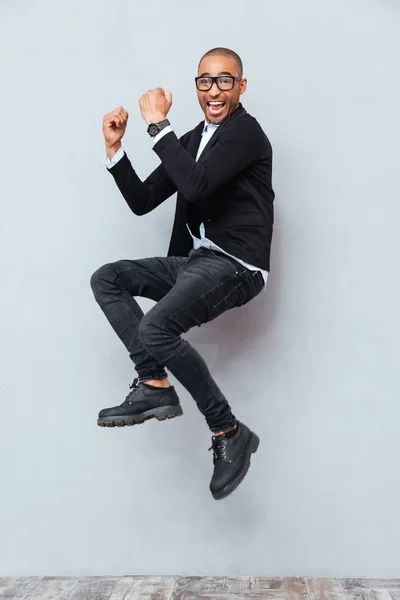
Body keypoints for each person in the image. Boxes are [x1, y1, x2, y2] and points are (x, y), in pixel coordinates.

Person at [90, 47, 275, 500]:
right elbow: (143, 200)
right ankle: (153, 382)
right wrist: (115, 150)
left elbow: (196, 184)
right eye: (205, 81)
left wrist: (157, 125)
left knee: (155, 326)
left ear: (242, 87)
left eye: (225, 81)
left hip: (236, 265)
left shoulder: (245, 134)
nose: (214, 90)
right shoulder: (192, 139)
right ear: (196, 87)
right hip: (197, 261)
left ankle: (228, 430)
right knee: (107, 278)